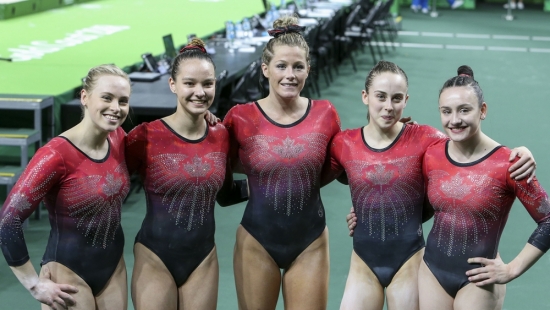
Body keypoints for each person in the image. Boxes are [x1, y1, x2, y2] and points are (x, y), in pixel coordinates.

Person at [332, 61, 536, 310]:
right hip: (385, 265)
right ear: (365, 96)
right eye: (380, 97)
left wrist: (522, 151)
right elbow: (351, 175)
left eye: (396, 98)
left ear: (406, 100)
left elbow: (468, 152)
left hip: (420, 263)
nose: (388, 106)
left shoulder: (427, 140)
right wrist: (367, 210)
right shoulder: (346, 143)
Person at [222, 15, 341, 309]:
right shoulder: (239, 118)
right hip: (257, 241)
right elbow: (219, 181)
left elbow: (341, 165)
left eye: (298, 66)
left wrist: (398, 133)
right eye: (281, 66)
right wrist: (258, 186)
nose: (290, 74)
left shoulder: (325, 114)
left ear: (308, 69)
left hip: (311, 241)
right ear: (265, 69)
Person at [126, 38, 247, 310]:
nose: (200, 92)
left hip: (203, 260)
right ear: (173, 84)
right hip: (154, 257)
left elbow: (226, 195)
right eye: (189, 83)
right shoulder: (145, 136)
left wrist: (270, 186)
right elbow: (105, 182)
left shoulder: (221, 135)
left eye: (207, 84)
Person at [0, 64, 131, 310]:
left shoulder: (118, 138)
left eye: (123, 101)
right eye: (107, 98)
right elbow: (8, 220)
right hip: (68, 275)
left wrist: (203, 120)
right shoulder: (54, 156)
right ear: (84, 97)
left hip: (113, 270)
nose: (116, 108)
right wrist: (33, 285)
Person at [418, 65, 549, 310]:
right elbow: (427, 208)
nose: (454, 120)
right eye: (446, 111)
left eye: (464, 110)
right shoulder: (432, 154)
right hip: (431, 273)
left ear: (483, 110)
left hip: (478, 281)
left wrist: (512, 269)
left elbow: (549, 219)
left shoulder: (510, 163)